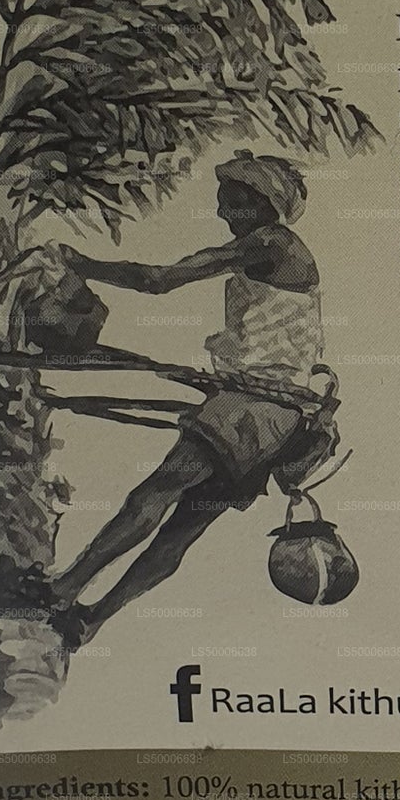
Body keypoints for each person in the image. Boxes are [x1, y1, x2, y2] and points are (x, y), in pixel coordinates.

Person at [41, 150, 333, 644]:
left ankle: (62, 590)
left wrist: (81, 264)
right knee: (183, 528)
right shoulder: (280, 251)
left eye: (229, 201)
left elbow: (159, 281)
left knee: (154, 493)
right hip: (280, 420)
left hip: (250, 410)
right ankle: (90, 620)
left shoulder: (271, 242)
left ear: (260, 202)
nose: (220, 212)